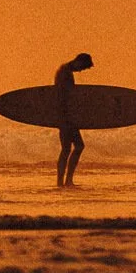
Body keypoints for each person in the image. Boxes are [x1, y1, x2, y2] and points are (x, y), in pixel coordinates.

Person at [54, 52, 93, 186]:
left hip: (67, 117)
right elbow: (63, 96)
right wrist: (66, 118)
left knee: (74, 147)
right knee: (70, 148)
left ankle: (65, 181)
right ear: (78, 61)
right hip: (66, 117)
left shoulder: (65, 71)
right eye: (83, 67)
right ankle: (64, 181)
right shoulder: (64, 72)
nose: (81, 70)